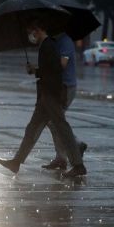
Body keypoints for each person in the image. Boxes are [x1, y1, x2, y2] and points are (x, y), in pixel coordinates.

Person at [0, 19, 87, 178]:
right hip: (45, 96)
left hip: (50, 95)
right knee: (32, 129)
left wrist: (49, 91)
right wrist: (36, 71)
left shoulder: (49, 46)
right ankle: (16, 162)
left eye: (31, 32)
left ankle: (78, 165)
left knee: (61, 128)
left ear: (37, 30)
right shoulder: (47, 45)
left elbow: (57, 70)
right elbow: (49, 69)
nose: (30, 36)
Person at [41, 31, 88, 170]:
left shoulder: (65, 41)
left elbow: (62, 63)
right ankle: (61, 157)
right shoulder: (53, 41)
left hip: (65, 88)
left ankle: (75, 146)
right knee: (53, 121)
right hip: (57, 87)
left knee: (54, 120)